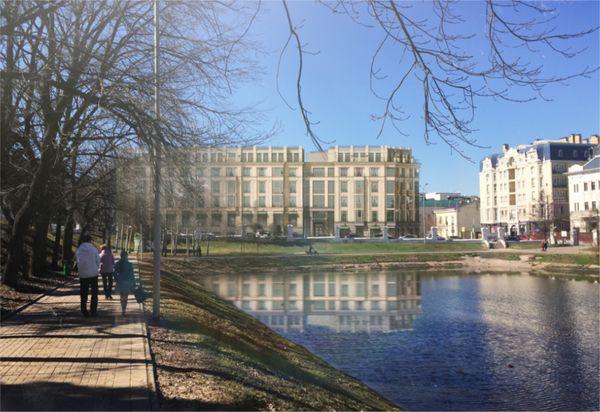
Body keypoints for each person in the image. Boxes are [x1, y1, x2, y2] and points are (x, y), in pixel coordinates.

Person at [75, 235, 100, 317]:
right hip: (93, 273)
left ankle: (84, 310)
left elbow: (77, 260)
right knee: (94, 293)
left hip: (83, 274)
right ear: (90, 240)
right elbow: (98, 260)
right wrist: (96, 267)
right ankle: (93, 311)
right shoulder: (93, 249)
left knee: (84, 293)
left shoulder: (79, 249)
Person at [114, 251, 135, 316]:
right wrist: (134, 283)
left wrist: (117, 279)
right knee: (125, 297)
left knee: (121, 296)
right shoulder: (129, 264)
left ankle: (123, 309)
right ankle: (124, 310)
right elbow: (132, 275)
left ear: (120, 256)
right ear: (126, 256)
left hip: (120, 282)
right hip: (127, 282)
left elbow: (114, 273)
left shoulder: (117, 263)